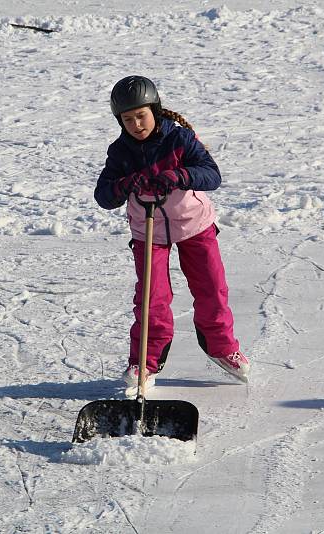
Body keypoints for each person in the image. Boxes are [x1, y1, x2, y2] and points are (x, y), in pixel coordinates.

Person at [94, 75, 250, 392]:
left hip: (194, 224)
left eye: (141, 115)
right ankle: (144, 362)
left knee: (211, 288)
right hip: (148, 231)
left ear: (155, 110)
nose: (136, 124)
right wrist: (125, 185)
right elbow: (104, 195)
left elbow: (212, 175)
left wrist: (181, 175)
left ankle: (222, 348)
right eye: (128, 119)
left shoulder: (179, 140)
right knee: (152, 297)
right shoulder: (120, 152)